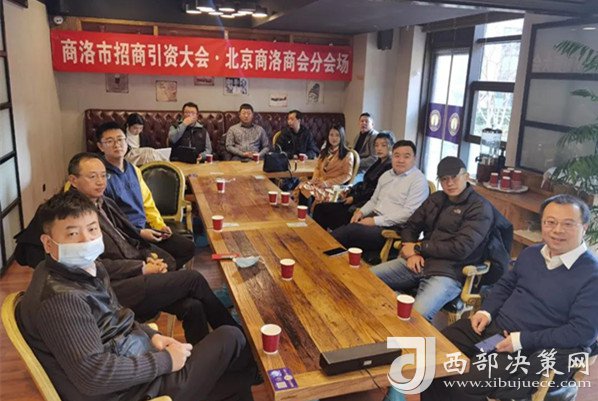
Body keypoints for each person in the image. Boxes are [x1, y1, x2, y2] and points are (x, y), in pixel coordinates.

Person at [17, 191, 256, 401]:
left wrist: (153, 336)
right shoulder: (61, 299)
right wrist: (166, 361)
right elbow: (94, 377)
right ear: (48, 243)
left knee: (236, 376)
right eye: (72, 234)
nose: (86, 240)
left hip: (134, 360)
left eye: (92, 229)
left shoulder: (85, 269)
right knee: (232, 338)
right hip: (129, 392)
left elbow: (119, 316)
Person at [18, 153, 240, 347]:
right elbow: (93, 265)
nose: (100, 181)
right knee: (193, 279)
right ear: (73, 180)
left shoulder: (103, 202)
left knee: (194, 305)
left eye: (103, 175)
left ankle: (209, 355)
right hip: (113, 287)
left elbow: (129, 237)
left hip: (134, 274)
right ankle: (238, 335)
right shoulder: (72, 215)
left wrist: (149, 257)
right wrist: (141, 268)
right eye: (92, 176)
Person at [421, 194, 598, 401]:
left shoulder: (591, 275)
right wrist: (486, 312)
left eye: (568, 224)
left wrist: (522, 340)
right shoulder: (532, 254)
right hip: (494, 331)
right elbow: (506, 285)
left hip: (529, 350)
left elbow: (582, 332)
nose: (557, 230)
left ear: (584, 227)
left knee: (460, 383)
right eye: (550, 222)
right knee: (432, 356)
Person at [371, 156, 498, 321]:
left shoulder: (479, 208)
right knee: (367, 279)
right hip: (418, 262)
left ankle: (411, 333)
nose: (449, 183)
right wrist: (412, 252)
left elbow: (460, 249)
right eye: (444, 179)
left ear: (466, 177)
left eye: (454, 177)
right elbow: (410, 226)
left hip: (449, 273)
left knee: (416, 316)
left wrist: (419, 248)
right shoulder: (436, 198)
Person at [96, 122, 195, 269]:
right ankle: (159, 273)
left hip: (144, 227)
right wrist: (139, 233)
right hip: (125, 236)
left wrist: (159, 225)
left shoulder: (134, 169)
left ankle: (163, 273)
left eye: (120, 139)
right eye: (110, 141)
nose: (117, 145)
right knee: (167, 260)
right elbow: (107, 221)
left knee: (187, 247)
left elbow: (147, 202)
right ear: (100, 146)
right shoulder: (100, 176)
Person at [330, 139, 429, 253]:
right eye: (397, 156)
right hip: (375, 218)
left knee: (348, 232)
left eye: (406, 156)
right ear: (392, 157)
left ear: (414, 158)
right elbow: (374, 201)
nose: (401, 160)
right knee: (336, 216)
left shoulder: (418, 181)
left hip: (392, 229)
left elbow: (408, 214)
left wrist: (375, 221)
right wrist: (361, 212)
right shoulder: (387, 175)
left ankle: (323, 251)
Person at [313, 132, 395, 231]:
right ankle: (320, 237)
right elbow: (364, 183)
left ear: (391, 147)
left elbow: (373, 191)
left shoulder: (389, 167)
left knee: (322, 211)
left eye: (383, 145)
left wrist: (354, 198)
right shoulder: (378, 162)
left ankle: (328, 237)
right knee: (319, 208)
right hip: (358, 197)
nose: (379, 148)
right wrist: (350, 190)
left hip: (364, 204)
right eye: (376, 145)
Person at [295, 124, 354, 209]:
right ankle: (303, 214)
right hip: (320, 182)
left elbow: (347, 175)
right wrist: (315, 179)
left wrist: (327, 183)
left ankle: (307, 214)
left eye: (337, 135)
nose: (334, 138)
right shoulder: (325, 151)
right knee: (303, 188)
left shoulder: (347, 154)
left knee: (308, 192)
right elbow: (317, 168)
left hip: (333, 187)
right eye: (331, 135)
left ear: (342, 137)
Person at [352, 112, 378, 179]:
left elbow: (374, 158)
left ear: (372, 124)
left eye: (366, 121)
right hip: (354, 167)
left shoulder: (375, 136)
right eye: (362, 121)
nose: (363, 123)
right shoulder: (358, 136)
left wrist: (356, 162)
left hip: (366, 170)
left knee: (353, 182)